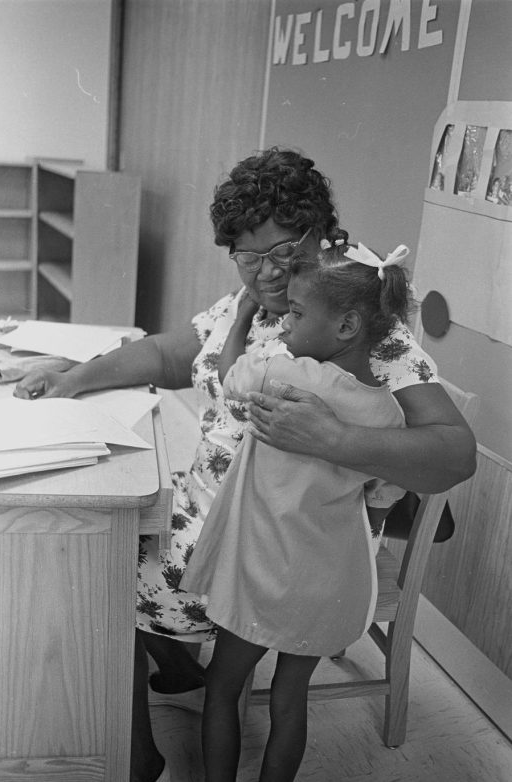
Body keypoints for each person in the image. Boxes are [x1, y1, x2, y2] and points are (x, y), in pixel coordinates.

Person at [14, 147, 476, 782]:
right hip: (222, 520)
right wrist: (76, 378)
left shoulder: (366, 326)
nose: (263, 274)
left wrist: (333, 437)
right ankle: (175, 665)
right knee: (112, 520)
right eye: (245, 256)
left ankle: (138, 748)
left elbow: (454, 454)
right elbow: (171, 356)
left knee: (94, 560)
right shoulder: (254, 302)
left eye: (281, 253)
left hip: (275, 553)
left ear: (322, 234)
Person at [180, 240, 411, 781]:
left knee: (223, 688)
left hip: (258, 569)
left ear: (348, 326)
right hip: (326, 581)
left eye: (297, 313)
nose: (283, 323)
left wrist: (241, 318)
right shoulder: (388, 413)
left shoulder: (279, 373)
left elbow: (227, 373)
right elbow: (382, 498)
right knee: (291, 700)